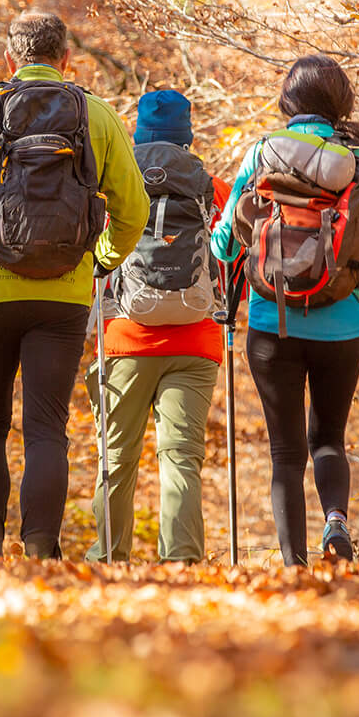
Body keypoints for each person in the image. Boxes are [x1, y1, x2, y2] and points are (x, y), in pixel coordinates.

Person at [0, 11, 149, 559]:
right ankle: (41, 547)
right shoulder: (95, 115)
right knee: (47, 426)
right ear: (66, 60)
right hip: (63, 295)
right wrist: (100, 259)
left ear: (10, 59)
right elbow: (133, 210)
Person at [210, 54, 359, 564]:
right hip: (341, 325)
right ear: (340, 102)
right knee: (329, 439)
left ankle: (292, 564)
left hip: (273, 324)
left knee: (285, 452)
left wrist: (242, 253)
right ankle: (336, 525)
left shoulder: (262, 153)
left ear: (288, 101)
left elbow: (225, 243)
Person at [86, 90, 229, 563]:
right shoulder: (214, 188)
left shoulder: (112, 186)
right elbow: (233, 259)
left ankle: (107, 560)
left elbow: (93, 253)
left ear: (138, 135)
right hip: (197, 342)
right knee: (182, 458)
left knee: (116, 459)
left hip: (125, 340)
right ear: (187, 136)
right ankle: (183, 562)